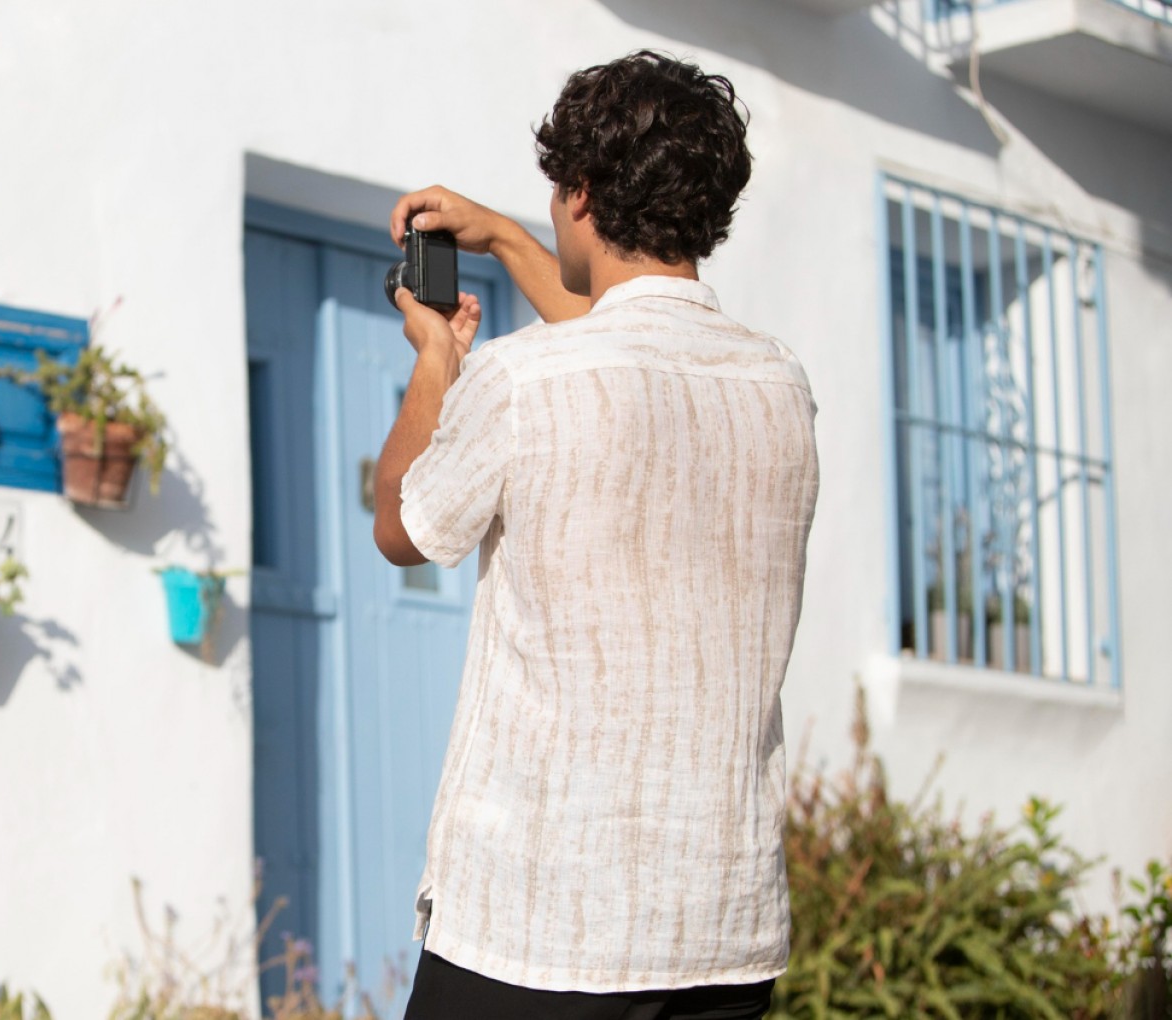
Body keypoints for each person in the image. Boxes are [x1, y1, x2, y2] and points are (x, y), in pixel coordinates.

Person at [374, 50, 820, 1020]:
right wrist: (501, 235)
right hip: (719, 937)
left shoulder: (523, 379)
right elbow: (628, 343)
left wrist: (434, 359)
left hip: (539, 929)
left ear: (579, 192)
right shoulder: (781, 386)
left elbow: (402, 524)